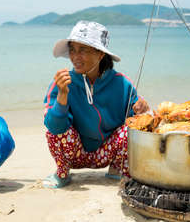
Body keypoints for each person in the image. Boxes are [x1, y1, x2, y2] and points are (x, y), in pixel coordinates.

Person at [43, 20, 149, 188]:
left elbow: (134, 119)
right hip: (74, 154)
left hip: (107, 153)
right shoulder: (62, 83)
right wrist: (63, 95)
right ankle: (62, 173)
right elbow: (54, 128)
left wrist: (141, 110)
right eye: (72, 50)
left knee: (132, 129)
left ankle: (117, 170)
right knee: (53, 131)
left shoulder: (122, 84)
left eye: (83, 50)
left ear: (100, 54)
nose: (75, 57)